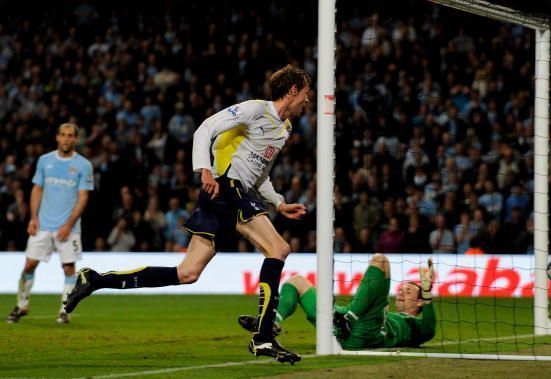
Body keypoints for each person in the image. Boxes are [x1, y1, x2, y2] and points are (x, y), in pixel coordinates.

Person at [65, 65, 311, 364]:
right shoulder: (256, 109)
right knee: (279, 248)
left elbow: (261, 175)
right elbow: (204, 129)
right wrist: (204, 168)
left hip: (234, 193)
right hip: (224, 187)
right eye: (306, 94)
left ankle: (95, 279)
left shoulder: (284, 129)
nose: (307, 102)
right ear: (293, 90)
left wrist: (279, 202)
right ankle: (262, 337)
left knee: (187, 273)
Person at [238, 253, 436, 350]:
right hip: (340, 322)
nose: (401, 293)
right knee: (296, 281)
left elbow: (429, 329)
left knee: (380, 260)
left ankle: (347, 319)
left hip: (367, 331)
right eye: (401, 290)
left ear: (420, 303)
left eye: (408, 291)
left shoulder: (413, 326)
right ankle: (272, 324)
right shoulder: (388, 313)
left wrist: (427, 293)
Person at [6, 123, 94, 324]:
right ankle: (21, 305)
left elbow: (83, 198)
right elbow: (37, 190)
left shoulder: (83, 165)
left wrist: (68, 224)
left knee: (69, 268)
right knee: (29, 265)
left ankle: (65, 310)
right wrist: (33, 218)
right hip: (43, 225)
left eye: (70, 135)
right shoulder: (45, 161)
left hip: (69, 228)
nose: (66, 139)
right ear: (57, 137)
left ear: (76, 139)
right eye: (62, 135)